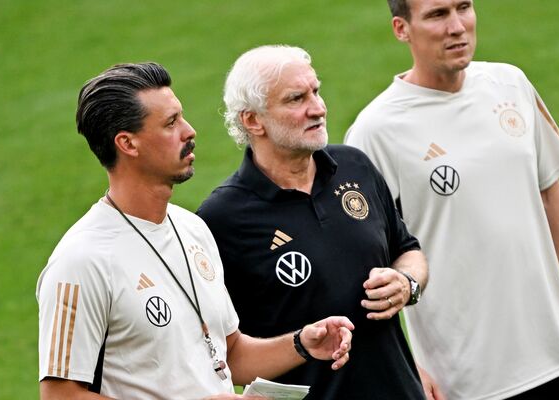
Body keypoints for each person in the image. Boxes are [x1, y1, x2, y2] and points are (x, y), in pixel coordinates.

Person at [344, 1, 559, 399]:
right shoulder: (375, 132)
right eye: (438, 15)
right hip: (473, 382)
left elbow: (550, 192)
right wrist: (407, 364)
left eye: (464, 7)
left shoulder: (510, 84)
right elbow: (363, 265)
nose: (457, 26)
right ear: (401, 29)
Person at [36, 62, 354, 400]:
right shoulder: (82, 260)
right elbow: (60, 395)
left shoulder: (193, 229)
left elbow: (228, 354)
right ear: (128, 143)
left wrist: (301, 343)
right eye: (171, 123)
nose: (189, 131)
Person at [196, 45, 430, 400]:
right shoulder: (221, 219)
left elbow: (407, 250)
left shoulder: (355, 167)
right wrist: (300, 344)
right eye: (295, 99)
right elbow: (222, 357)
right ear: (252, 120)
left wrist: (407, 283)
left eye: (316, 92)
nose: (318, 108)